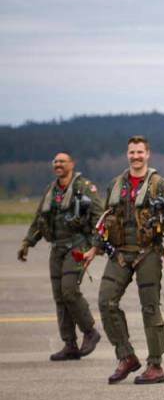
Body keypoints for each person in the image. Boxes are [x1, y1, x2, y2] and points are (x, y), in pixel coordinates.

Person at [97, 135, 164, 384]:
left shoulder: (159, 185)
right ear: (127, 154)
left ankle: (155, 365)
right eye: (131, 152)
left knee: (150, 307)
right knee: (105, 302)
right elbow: (104, 220)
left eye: (140, 152)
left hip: (148, 253)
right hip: (120, 253)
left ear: (148, 154)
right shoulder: (115, 184)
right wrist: (94, 250)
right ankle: (126, 356)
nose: (135, 156)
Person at [18, 151, 104, 360]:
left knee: (69, 291)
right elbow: (40, 219)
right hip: (57, 248)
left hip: (77, 247)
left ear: (72, 164)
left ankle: (90, 331)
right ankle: (70, 344)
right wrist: (28, 242)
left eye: (62, 161)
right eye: (56, 161)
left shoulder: (83, 188)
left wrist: (96, 246)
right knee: (59, 297)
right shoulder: (51, 191)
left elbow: (99, 217)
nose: (58, 164)